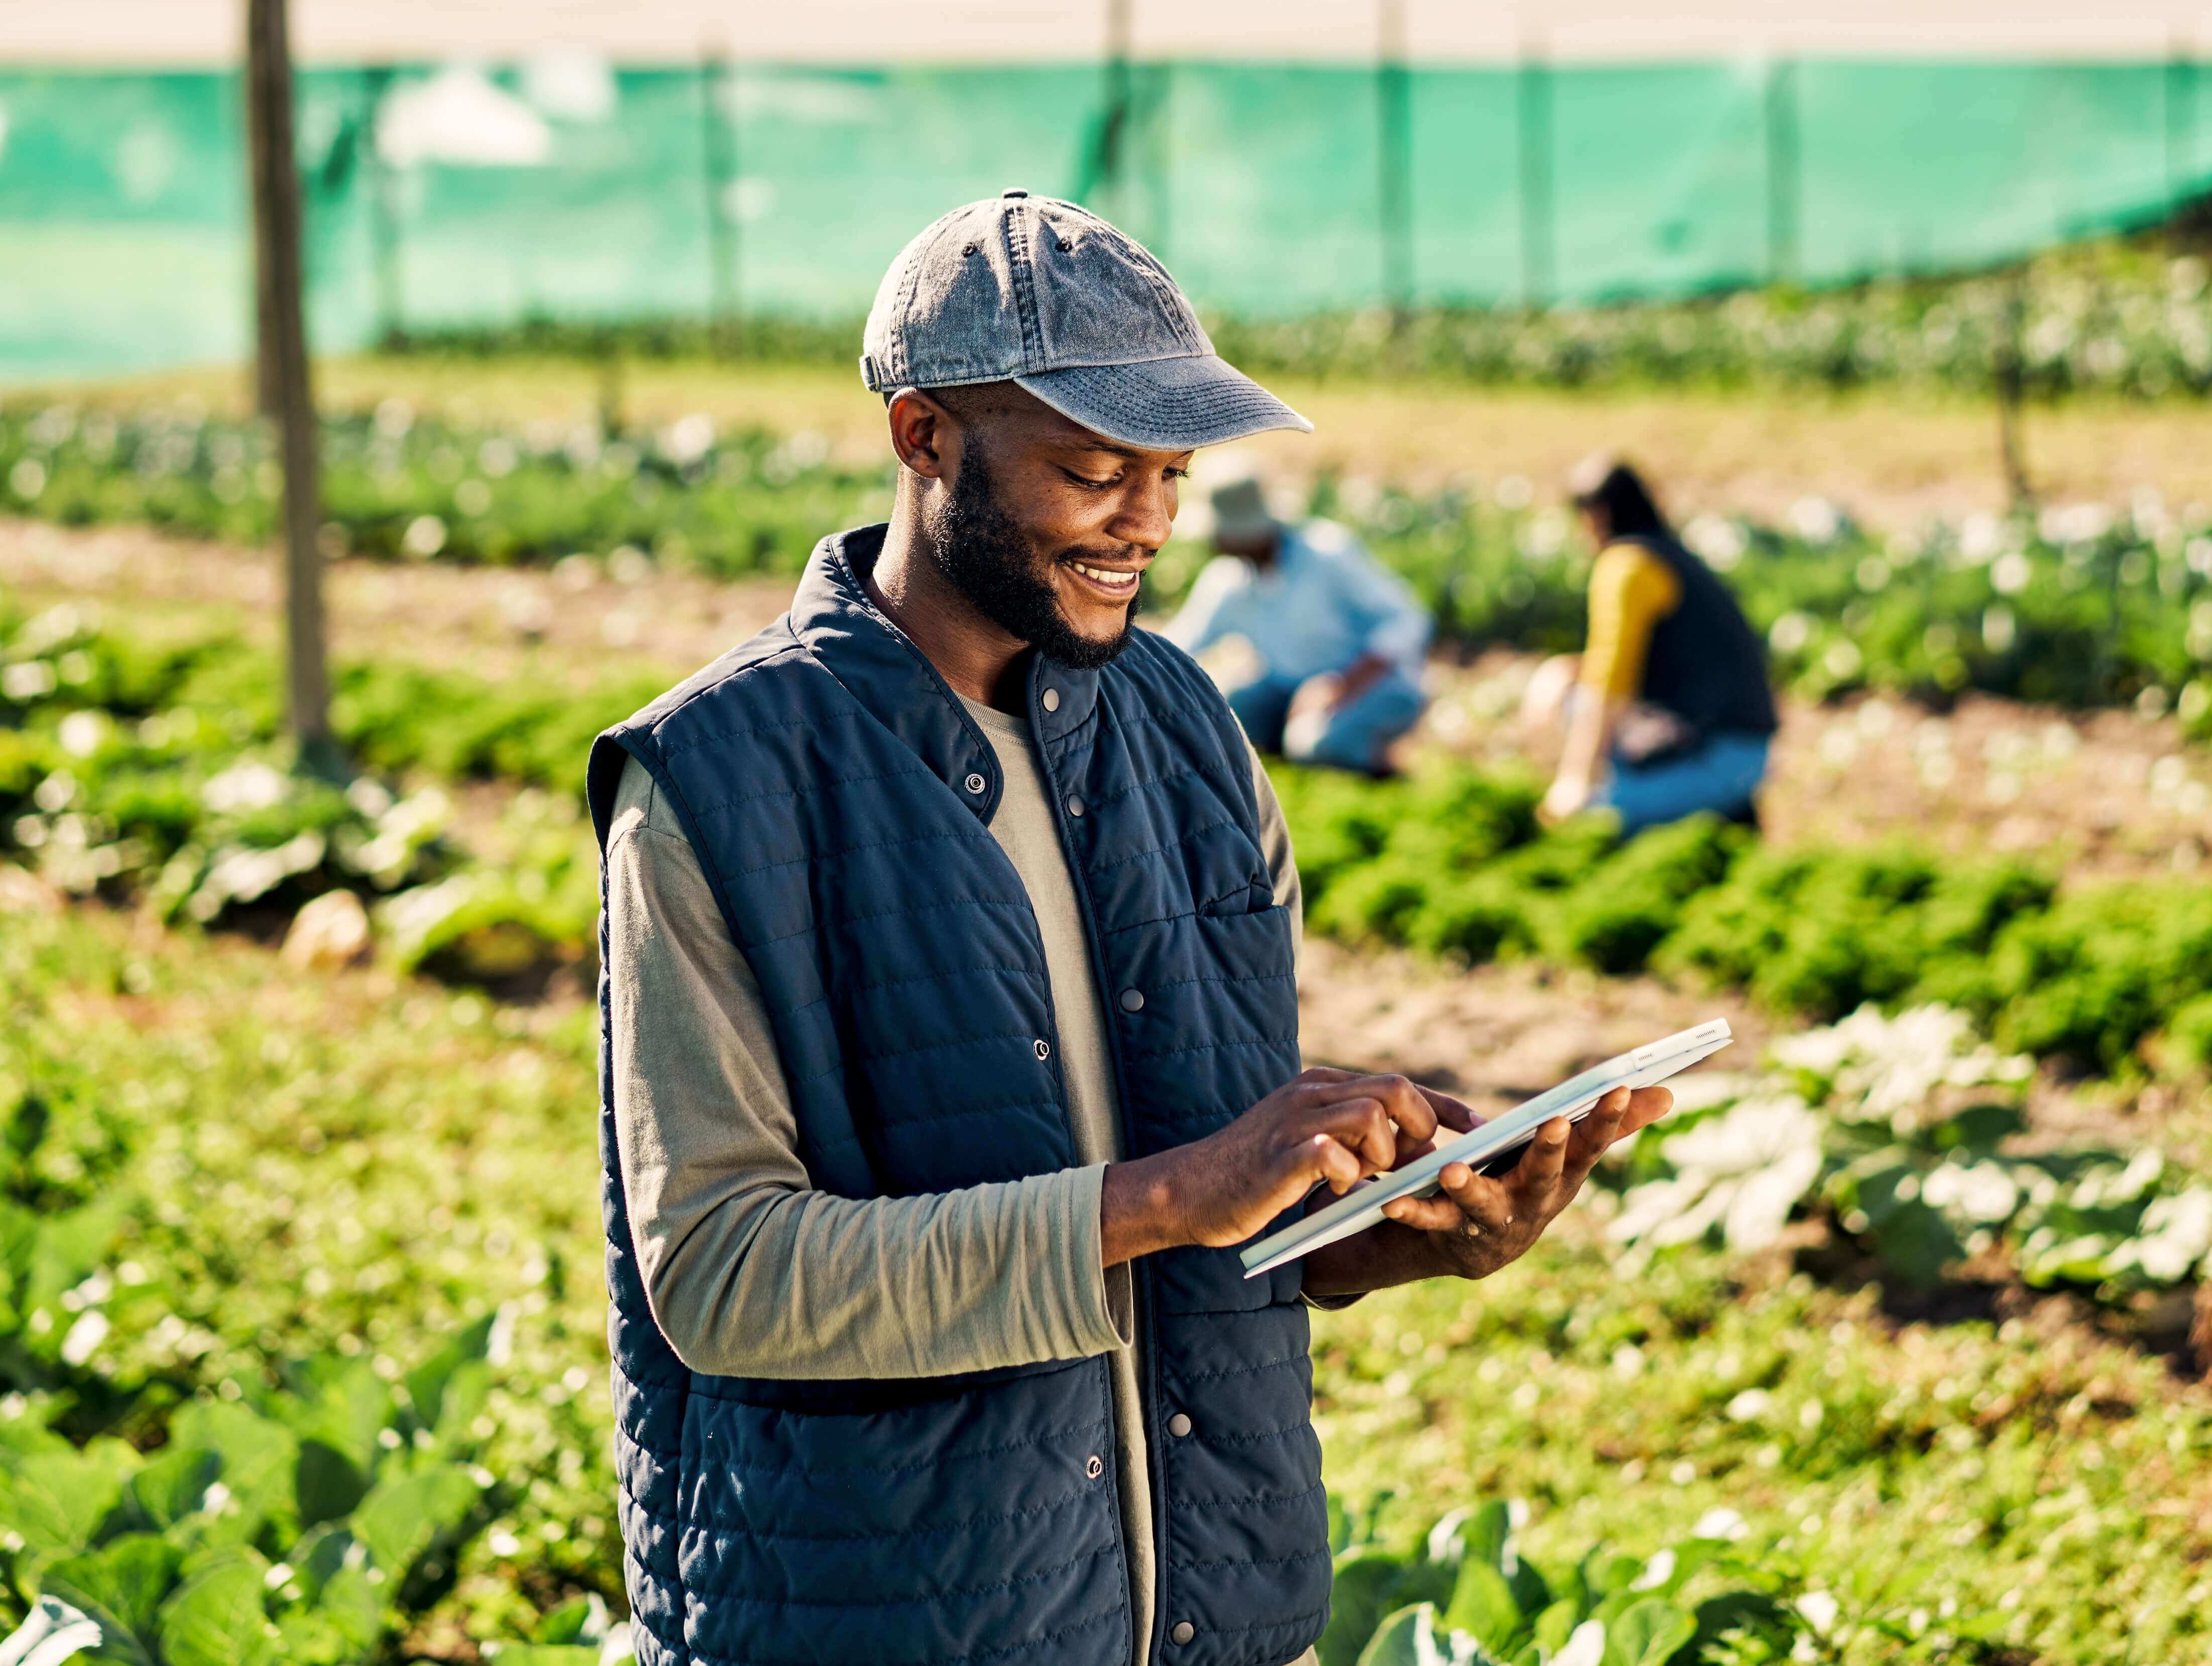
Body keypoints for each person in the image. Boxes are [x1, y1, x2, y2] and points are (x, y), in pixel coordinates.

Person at [588, 191, 1671, 1666]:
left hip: (1210, 1615)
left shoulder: (1189, 732)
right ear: (924, 438)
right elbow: (723, 1274)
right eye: (1095, 469)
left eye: (1168, 470)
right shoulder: (720, 778)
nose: (1147, 521)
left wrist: (1387, 1231)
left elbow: (1208, 1213)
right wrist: (1170, 1192)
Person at [1527, 457, 1779, 831]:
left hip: (1719, 757)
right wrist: (1567, 668)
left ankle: (1701, 811)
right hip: (1746, 750)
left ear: (1596, 516)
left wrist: (1574, 781)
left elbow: (1609, 682)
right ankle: (1722, 813)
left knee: (1599, 822)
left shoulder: (1626, 566)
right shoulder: (1669, 556)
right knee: (1576, 700)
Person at [1159, 475, 1431, 775]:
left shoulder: (1327, 555)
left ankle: (1384, 770)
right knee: (1225, 722)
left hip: (1373, 686)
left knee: (1314, 744)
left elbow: (1407, 620)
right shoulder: (1229, 579)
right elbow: (1181, 644)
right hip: (1289, 691)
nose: (1213, 542)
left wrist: (1341, 685)